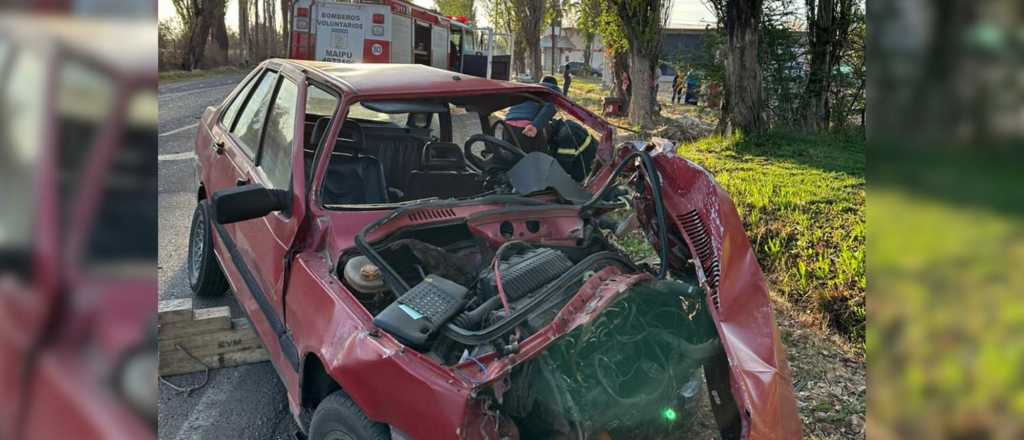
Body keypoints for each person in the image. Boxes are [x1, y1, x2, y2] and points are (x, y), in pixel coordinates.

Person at [502, 76, 561, 153]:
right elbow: (552, 106)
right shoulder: (553, 89)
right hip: (527, 128)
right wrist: (535, 126)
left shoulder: (531, 88)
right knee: (540, 159)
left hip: (507, 127)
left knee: (510, 159)